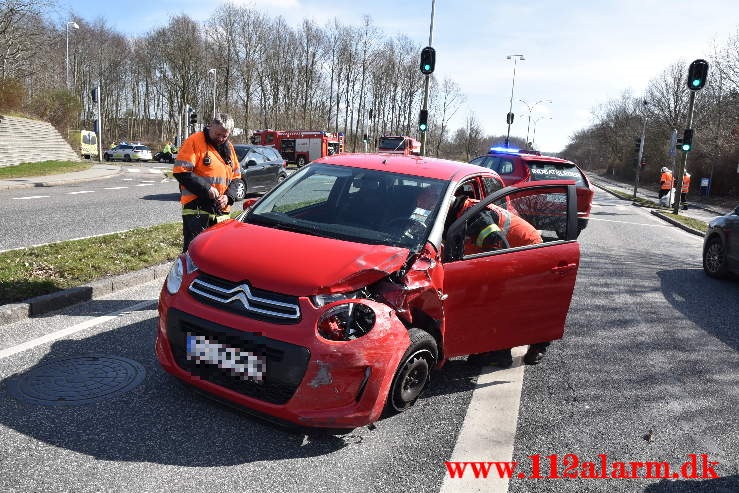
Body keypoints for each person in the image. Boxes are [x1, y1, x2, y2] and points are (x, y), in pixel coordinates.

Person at [444, 190, 550, 367]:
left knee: (506, 302)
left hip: (525, 250)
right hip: (500, 253)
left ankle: (512, 351)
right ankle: (490, 348)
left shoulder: (476, 218)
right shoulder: (456, 216)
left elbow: (500, 248)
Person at [173, 114, 243, 251]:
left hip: (221, 212)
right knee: (194, 253)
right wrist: (206, 189)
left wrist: (229, 197)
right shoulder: (194, 141)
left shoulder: (228, 147)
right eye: (217, 134)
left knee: (218, 254)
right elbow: (181, 171)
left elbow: (237, 177)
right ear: (210, 126)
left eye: (225, 136)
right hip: (197, 210)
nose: (221, 138)